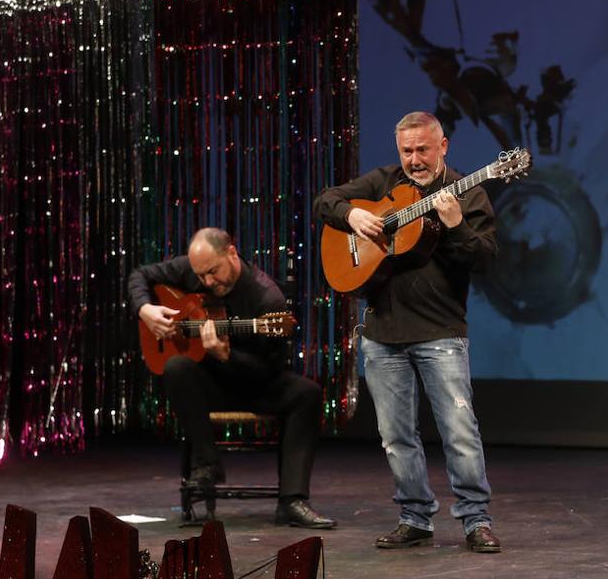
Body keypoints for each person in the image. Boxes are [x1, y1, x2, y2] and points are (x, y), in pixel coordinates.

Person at [314, 111, 500, 553]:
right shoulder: (384, 182)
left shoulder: (467, 191)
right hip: (382, 333)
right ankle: (414, 517)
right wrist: (353, 215)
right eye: (407, 151)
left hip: (440, 332)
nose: (414, 159)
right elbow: (325, 201)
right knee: (396, 436)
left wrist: (455, 226)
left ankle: (476, 520)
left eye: (423, 149)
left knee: (458, 432)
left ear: (443, 146)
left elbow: (485, 258)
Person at [128, 228, 335, 529]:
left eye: (213, 272)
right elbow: (139, 275)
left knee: (308, 393)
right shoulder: (194, 269)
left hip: (256, 382)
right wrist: (145, 309)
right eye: (201, 276)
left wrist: (227, 355)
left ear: (232, 253)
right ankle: (207, 464)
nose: (208, 282)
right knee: (175, 367)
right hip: (211, 385)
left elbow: (271, 369)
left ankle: (292, 500)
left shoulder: (267, 300)